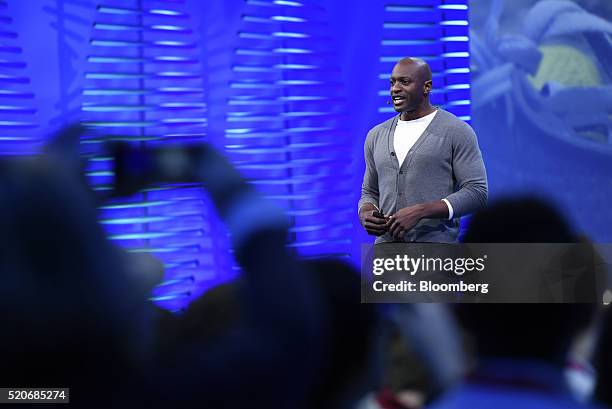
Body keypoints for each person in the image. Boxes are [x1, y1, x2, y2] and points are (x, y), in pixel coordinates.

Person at [358, 57, 488, 243]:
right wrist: (366, 211)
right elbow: (369, 191)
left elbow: (477, 192)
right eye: (392, 82)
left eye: (404, 82)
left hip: (436, 257)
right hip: (386, 257)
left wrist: (421, 211)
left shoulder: (456, 131)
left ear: (426, 87)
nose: (395, 88)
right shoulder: (376, 135)